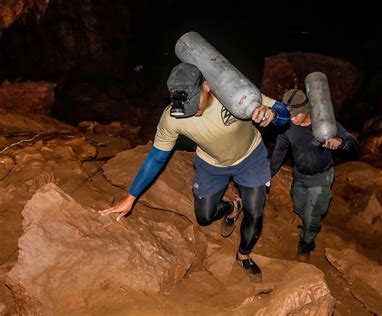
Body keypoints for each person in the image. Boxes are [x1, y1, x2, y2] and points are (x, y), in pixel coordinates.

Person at [99, 62, 290, 281]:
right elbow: (157, 157)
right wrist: (130, 197)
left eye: (195, 104)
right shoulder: (173, 117)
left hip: (250, 158)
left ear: (207, 85)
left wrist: (273, 115)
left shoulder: (235, 92)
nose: (193, 112)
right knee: (204, 216)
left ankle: (243, 256)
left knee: (255, 213)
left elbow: (285, 114)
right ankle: (231, 206)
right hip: (211, 164)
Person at [270, 89, 359, 262]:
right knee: (299, 208)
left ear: (307, 110)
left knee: (313, 217)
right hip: (300, 175)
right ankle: (308, 226)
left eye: (295, 115)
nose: (292, 119)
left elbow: (354, 143)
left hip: (321, 178)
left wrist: (340, 142)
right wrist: (269, 173)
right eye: (289, 115)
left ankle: (305, 244)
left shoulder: (325, 124)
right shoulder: (287, 127)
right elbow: (280, 151)